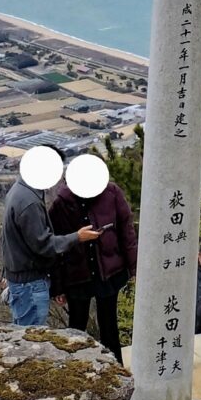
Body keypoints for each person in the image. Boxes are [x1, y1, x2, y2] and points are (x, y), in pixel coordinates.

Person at [49, 152, 137, 365]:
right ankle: (75, 371)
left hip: (108, 271)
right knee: (76, 327)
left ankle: (116, 370)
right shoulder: (61, 204)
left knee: (109, 326)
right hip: (77, 274)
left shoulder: (112, 193)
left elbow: (126, 232)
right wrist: (58, 287)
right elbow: (55, 247)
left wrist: (135, 268)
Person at [1, 145, 100, 329]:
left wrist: (6, 272)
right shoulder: (29, 202)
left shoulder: (20, 189)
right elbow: (45, 245)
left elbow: (8, 238)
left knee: (24, 333)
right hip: (30, 284)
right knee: (32, 336)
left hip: (21, 280)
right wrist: (77, 237)